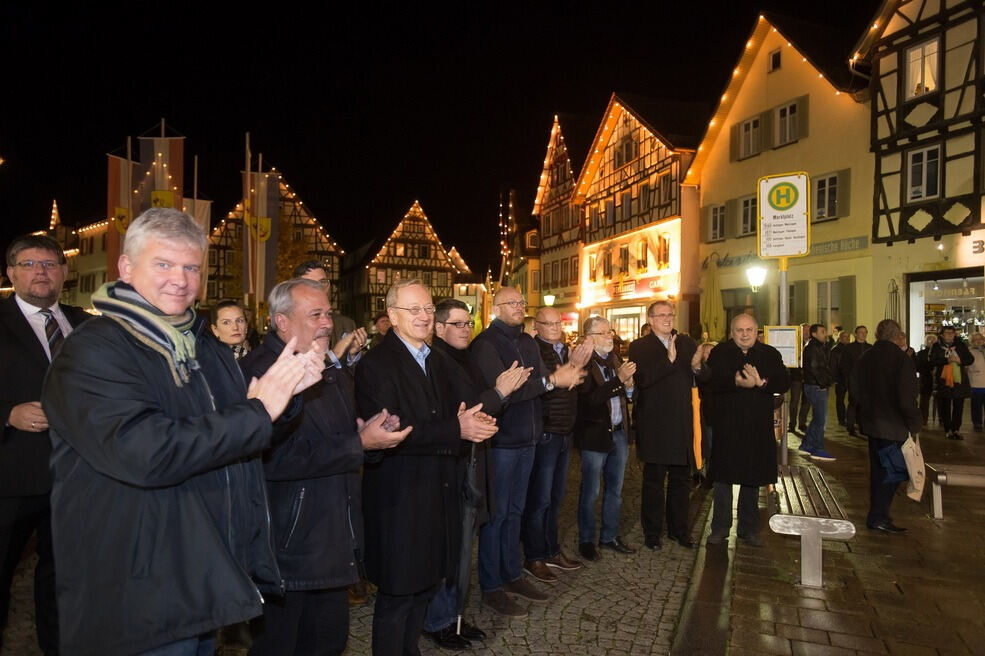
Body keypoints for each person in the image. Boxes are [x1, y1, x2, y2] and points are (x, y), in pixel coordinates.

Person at [41, 208, 325, 655]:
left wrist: (283, 402)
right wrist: (258, 410)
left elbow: (240, 431)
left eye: (191, 267)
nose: (180, 279)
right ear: (127, 268)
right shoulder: (93, 349)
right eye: (164, 264)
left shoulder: (201, 342)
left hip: (198, 576)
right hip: (136, 592)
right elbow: (146, 451)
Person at [241, 278, 411, 656]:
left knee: (328, 644)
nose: (328, 324)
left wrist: (367, 433)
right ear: (282, 322)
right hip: (287, 550)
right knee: (280, 645)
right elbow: (273, 459)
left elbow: (338, 437)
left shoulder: (324, 366)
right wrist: (358, 443)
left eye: (328, 313)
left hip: (331, 541)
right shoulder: (260, 372)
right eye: (315, 314)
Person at [354, 279, 498, 656]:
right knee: (398, 595)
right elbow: (394, 432)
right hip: (400, 499)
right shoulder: (376, 365)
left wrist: (467, 419)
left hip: (439, 492)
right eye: (413, 309)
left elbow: (447, 412)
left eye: (428, 309)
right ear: (392, 316)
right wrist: (457, 428)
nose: (423, 316)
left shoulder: (436, 359)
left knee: (424, 588)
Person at [470, 287, 585, 617]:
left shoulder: (526, 342)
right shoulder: (486, 344)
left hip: (529, 439)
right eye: (511, 303)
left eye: (521, 303)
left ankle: (511, 573)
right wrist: (551, 381)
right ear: (495, 308)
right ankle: (492, 585)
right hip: (503, 442)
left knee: (516, 511)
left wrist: (549, 383)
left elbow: (532, 389)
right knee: (497, 516)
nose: (519, 307)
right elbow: (504, 392)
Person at [0, 234, 90, 655]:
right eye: (30, 263)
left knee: (63, 584)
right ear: (11, 272)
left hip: (76, 476)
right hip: (12, 476)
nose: (41, 271)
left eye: (50, 263)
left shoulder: (88, 325)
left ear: (64, 272)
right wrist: (7, 413)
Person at [422, 298, 530, 650]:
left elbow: (475, 406)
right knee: (450, 549)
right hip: (451, 466)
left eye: (468, 323)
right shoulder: (437, 361)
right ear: (439, 328)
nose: (466, 329)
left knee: (462, 548)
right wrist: (499, 392)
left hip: (470, 460)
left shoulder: (462, 357)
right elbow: (462, 411)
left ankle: (453, 617)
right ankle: (438, 621)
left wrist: (495, 397)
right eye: (458, 324)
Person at [628, 300, 708, 551]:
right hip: (655, 424)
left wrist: (697, 366)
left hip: (682, 422)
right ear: (650, 320)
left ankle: (679, 530)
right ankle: (652, 532)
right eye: (661, 315)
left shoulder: (686, 342)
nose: (667, 319)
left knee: (681, 482)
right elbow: (643, 381)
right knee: (653, 482)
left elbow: (703, 378)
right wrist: (669, 361)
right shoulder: (639, 346)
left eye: (670, 314)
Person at [706, 314, 790, 547]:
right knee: (723, 479)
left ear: (756, 331)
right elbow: (710, 382)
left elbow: (783, 381)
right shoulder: (720, 353)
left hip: (756, 426)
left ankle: (748, 528)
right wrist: (734, 382)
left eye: (749, 330)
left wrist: (761, 383)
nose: (744, 334)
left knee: (752, 479)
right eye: (739, 330)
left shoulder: (769, 354)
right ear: (731, 332)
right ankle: (720, 527)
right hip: (727, 425)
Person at [522, 306, 585, 582]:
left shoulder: (565, 350)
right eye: (548, 324)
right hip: (546, 431)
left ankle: (551, 549)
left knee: (557, 498)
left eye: (558, 323)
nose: (555, 328)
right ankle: (534, 556)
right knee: (539, 499)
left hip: (564, 432)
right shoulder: (533, 350)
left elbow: (574, 386)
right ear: (537, 326)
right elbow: (542, 386)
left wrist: (575, 368)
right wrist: (568, 372)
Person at [851, 319, 922, 534]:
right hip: (894, 424)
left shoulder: (866, 356)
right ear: (898, 336)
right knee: (892, 471)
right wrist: (914, 422)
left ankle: (879, 514)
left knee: (879, 469)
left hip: (873, 422)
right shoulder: (901, 359)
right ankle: (879, 516)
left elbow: (854, 388)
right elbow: (906, 397)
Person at [576, 316, 637, 559]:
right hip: (593, 435)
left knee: (615, 490)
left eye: (609, 332)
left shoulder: (615, 360)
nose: (609, 336)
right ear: (589, 338)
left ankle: (609, 535)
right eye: (602, 333)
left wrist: (629, 385)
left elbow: (627, 395)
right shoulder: (582, 363)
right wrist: (619, 380)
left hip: (619, 432)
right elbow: (589, 399)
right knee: (590, 492)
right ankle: (586, 540)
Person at [293, 260, 361, 352]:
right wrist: (334, 355)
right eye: (310, 283)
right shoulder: (287, 324)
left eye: (322, 282)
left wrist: (352, 356)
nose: (318, 288)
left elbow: (354, 366)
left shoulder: (347, 325)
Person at [930, 326, 974, 440]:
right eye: (947, 332)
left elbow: (970, 359)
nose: (949, 334)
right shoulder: (936, 346)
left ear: (955, 334)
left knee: (958, 406)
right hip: (943, 381)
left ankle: (956, 429)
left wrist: (960, 361)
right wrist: (947, 360)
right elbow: (931, 361)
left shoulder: (961, 345)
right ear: (941, 335)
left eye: (952, 332)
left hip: (959, 381)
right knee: (945, 406)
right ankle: (948, 429)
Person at [799, 324, 836, 461]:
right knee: (821, 419)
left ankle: (807, 444)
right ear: (814, 334)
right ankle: (818, 448)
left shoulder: (817, 347)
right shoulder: (813, 349)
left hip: (814, 385)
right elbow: (815, 368)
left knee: (817, 418)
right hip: (816, 386)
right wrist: (823, 383)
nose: (825, 334)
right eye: (822, 332)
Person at [838, 325, 871, 436]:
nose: (862, 334)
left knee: (864, 405)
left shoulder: (870, 348)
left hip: (866, 381)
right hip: (854, 380)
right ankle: (850, 426)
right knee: (853, 403)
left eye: (864, 332)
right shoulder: (849, 348)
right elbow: (844, 365)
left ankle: (863, 426)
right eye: (860, 332)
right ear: (856, 334)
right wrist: (849, 377)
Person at [829, 330, 852, 426]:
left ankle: (851, 418)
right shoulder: (835, 350)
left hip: (851, 378)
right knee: (840, 400)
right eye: (844, 337)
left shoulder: (851, 348)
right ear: (840, 338)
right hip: (841, 379)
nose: (846, 339)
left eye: (848, 337)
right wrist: (835, 379)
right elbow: (833, 366)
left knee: (852, 399)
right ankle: (841, 418)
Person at [915, 334, 937, 425]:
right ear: (925, 342)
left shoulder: (940, 352)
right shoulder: (921, 353)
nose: (931, 342)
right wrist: (929, 371)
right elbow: (918, 367)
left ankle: (941, 419)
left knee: (941, 400)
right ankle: (923, 419)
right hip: (925, 379)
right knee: (924, 401)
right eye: (929, 340)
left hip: (938, 380)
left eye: (933, 341)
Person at [969, 333, 985, 431]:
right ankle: (977, 423)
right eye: (976, 340)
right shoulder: (969, 352)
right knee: (977, 405)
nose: (978, 341)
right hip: (976, 382)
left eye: (980, 339)